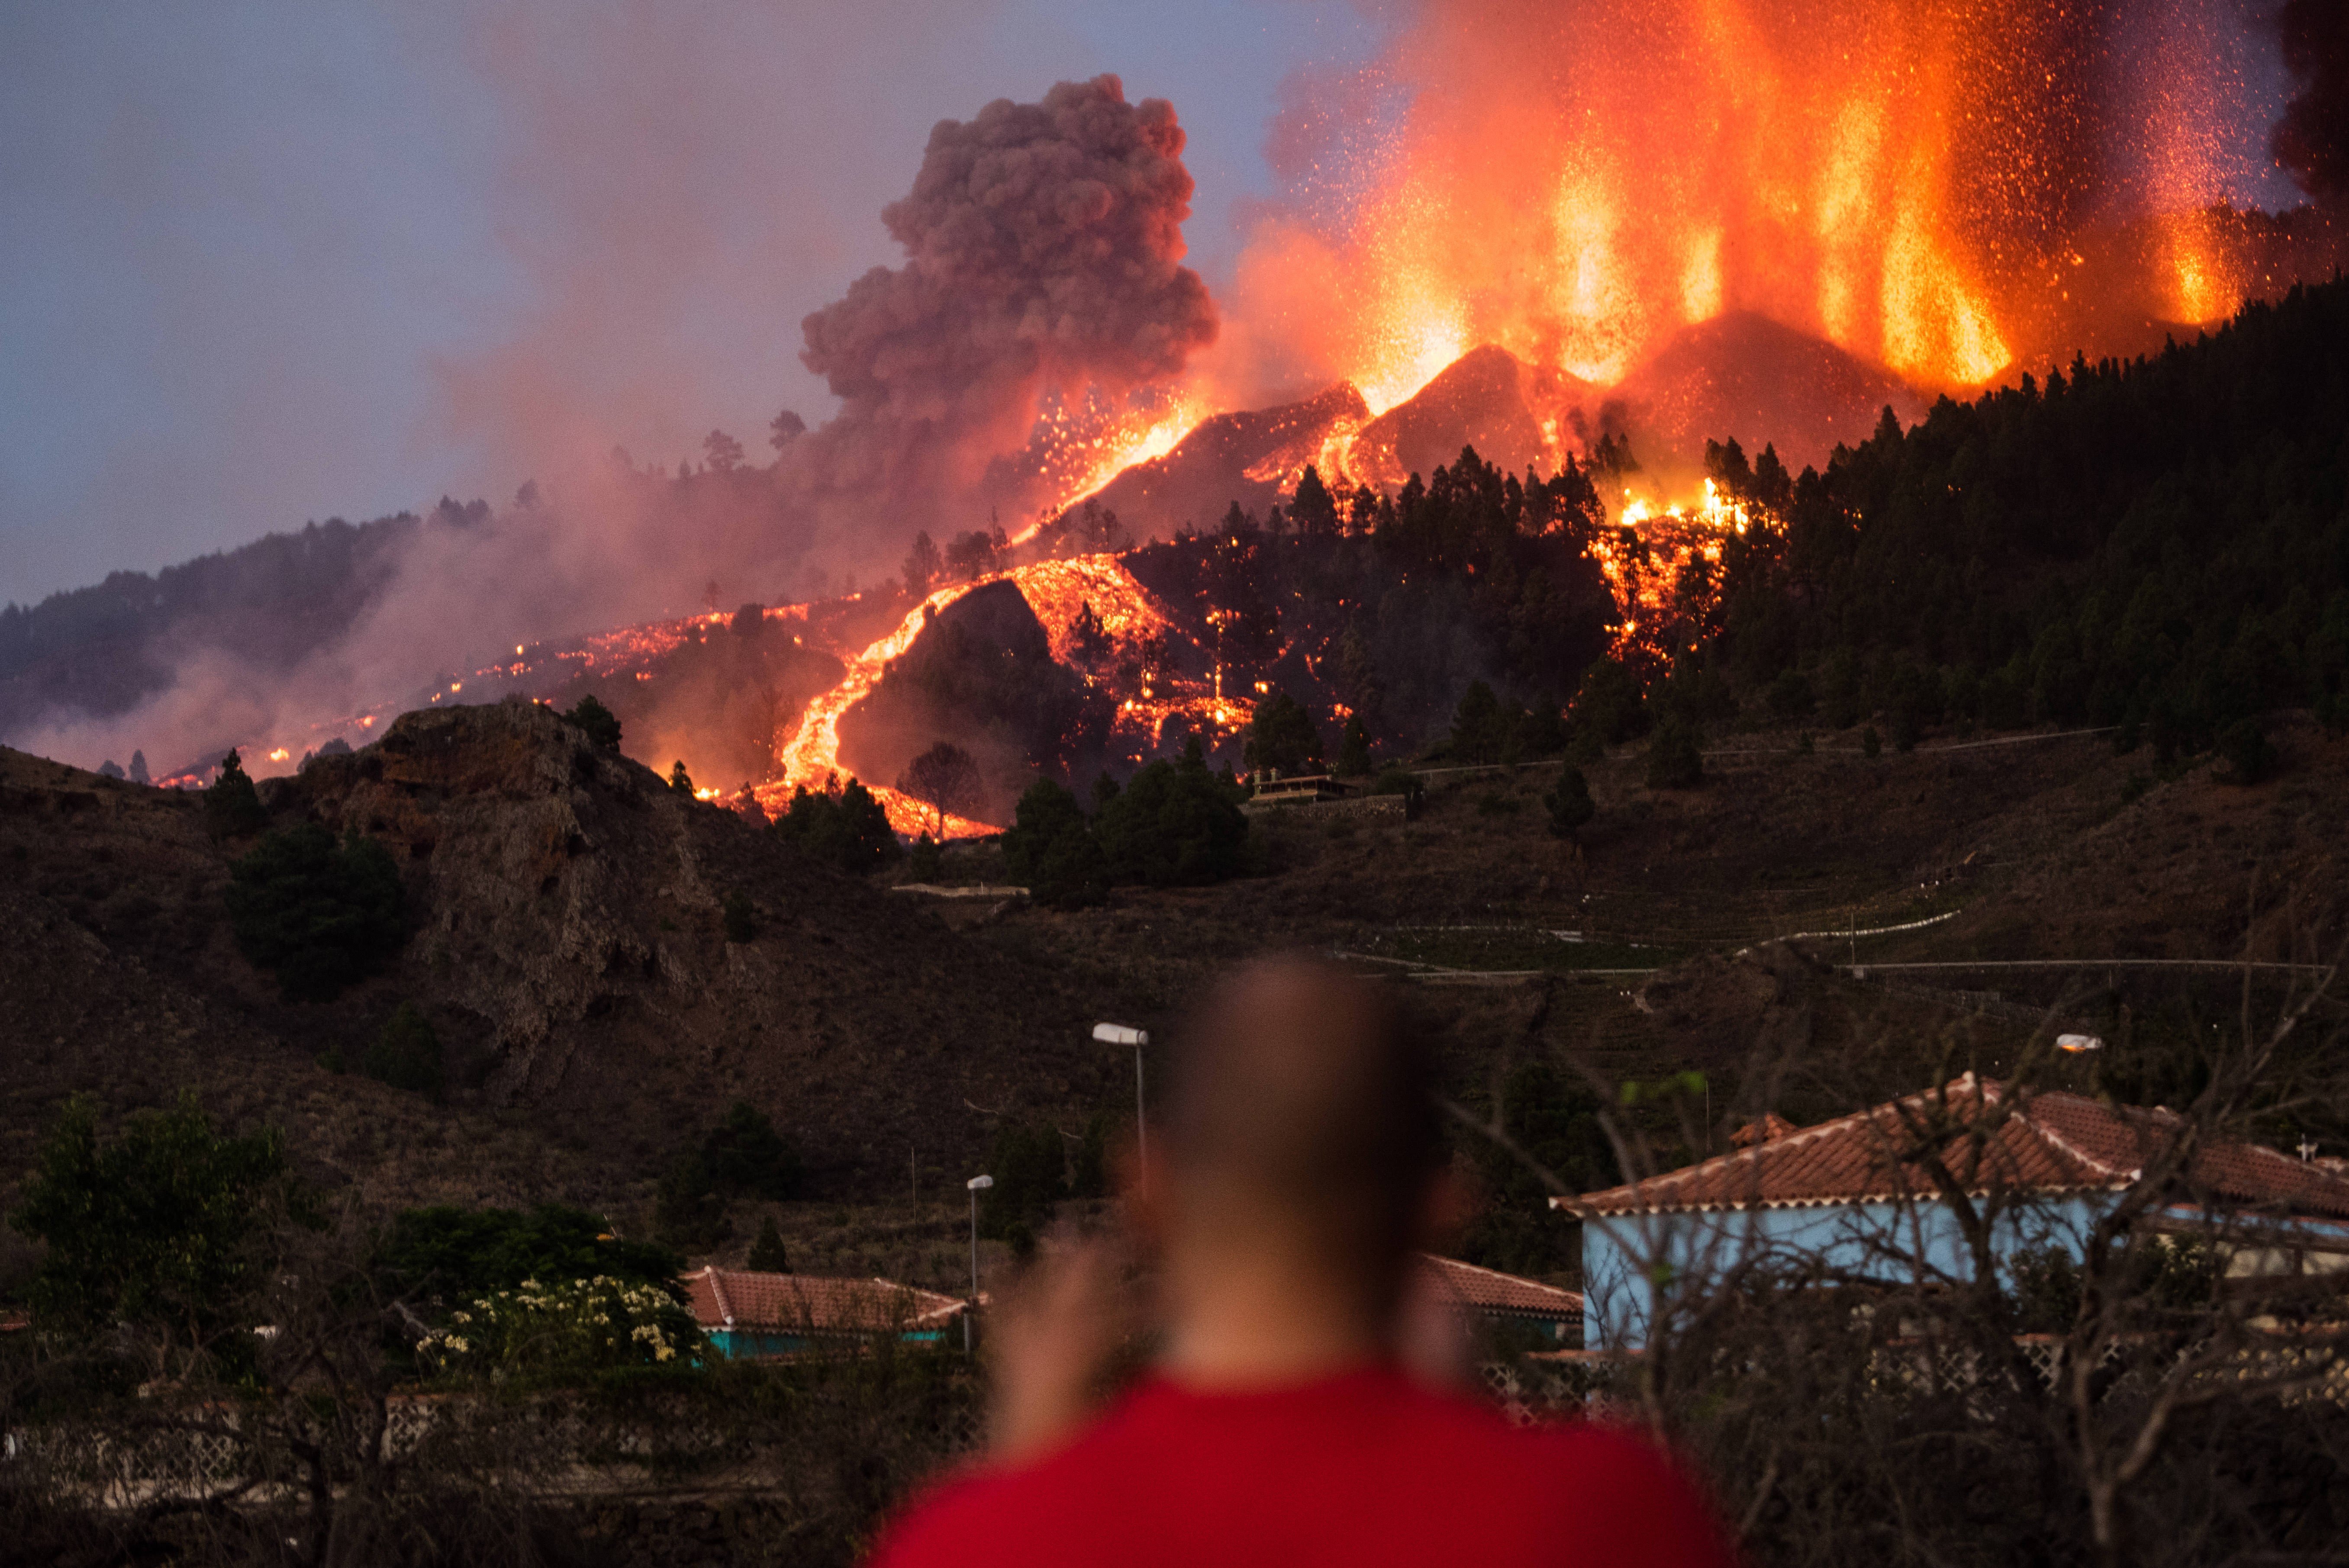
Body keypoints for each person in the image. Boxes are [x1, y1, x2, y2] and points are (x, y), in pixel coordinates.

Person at [868, 956, 1739, 1568]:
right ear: (1443, 1205)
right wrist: (1452, 1425)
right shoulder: (1611, 1515)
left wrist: (1024, 1475)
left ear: (1146, 1192)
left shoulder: (965, 1545)